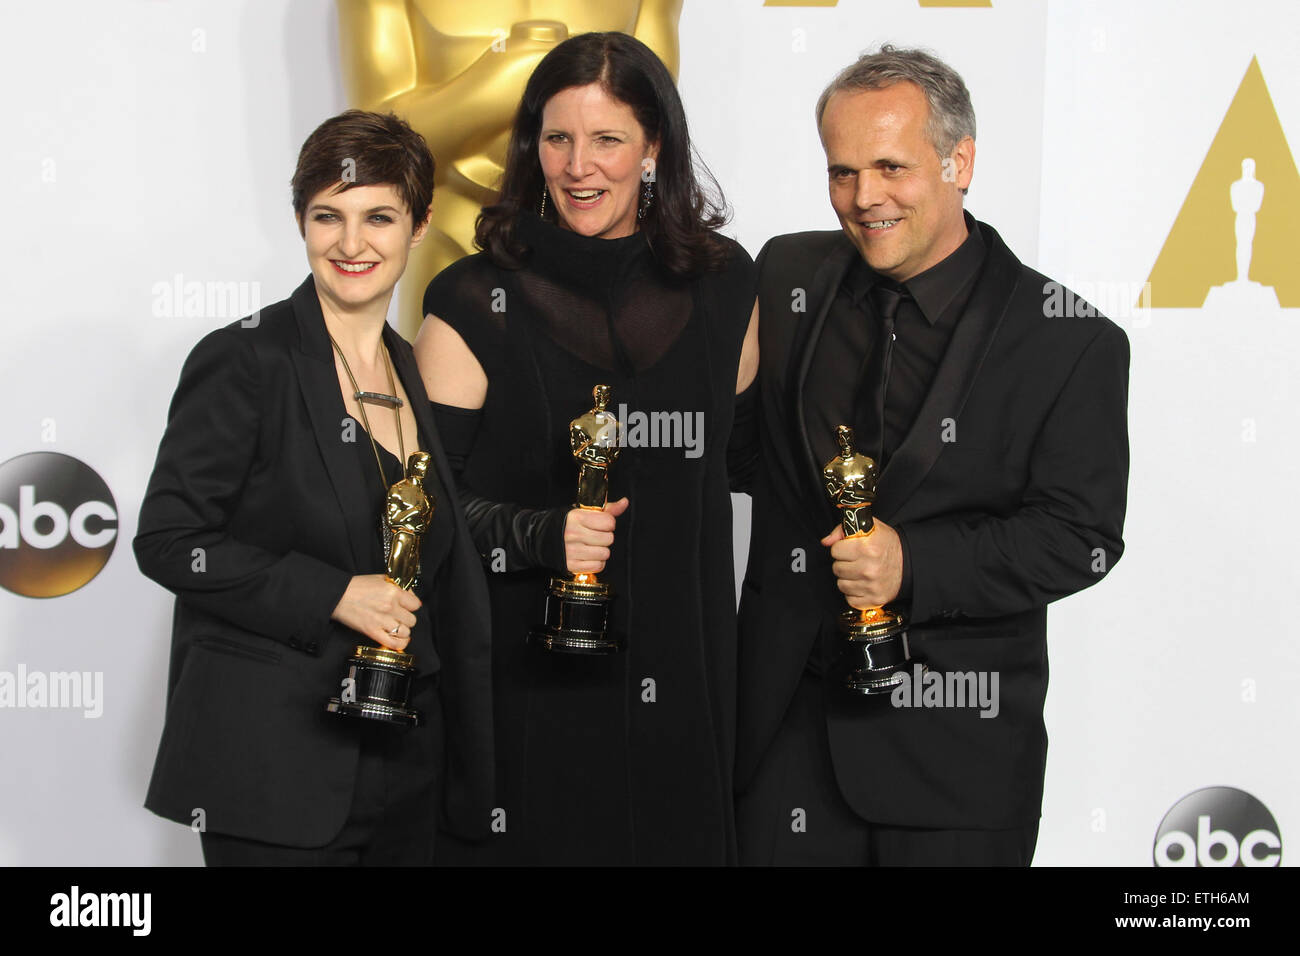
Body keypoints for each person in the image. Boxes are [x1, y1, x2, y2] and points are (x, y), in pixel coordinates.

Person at [734, 46, 1129, 866]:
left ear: (961, 161)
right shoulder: (785, 274)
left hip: (958, 767)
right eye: (841, 172)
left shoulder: (1070, 340)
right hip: (782, 746)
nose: (863, 197)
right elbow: (743, 455)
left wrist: (912, 564)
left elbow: (1079, 535)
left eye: (890, 167)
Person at [415, 31, 758, 865]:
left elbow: (745, 468)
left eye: (607, 139)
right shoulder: (472, 297)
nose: (579, 167)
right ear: (531, 148)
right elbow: (417, 513)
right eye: (558, 138)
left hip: (686, 686)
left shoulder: (727, 287)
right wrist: (539, 534)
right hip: (528, 687)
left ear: (654, 149)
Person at [134, 110, 494, 866]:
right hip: (273, 769)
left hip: (406, 764)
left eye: (378, 217)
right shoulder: (246, 359)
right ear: (301, 220)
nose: (352, 243)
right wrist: (333, 593)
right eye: (328, 215)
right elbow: (170, 542)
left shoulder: (410, 369)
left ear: (420, 224)